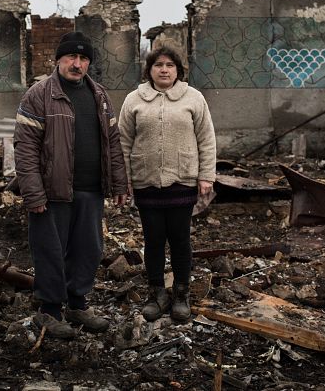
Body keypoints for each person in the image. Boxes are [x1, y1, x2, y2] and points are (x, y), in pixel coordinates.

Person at [14, 31, 128, 339]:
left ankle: (77, 304)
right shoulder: (39, 95)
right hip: (53, 194)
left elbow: (113, 144)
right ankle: (49, 312)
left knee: (88, 249)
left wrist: (119, 184)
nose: (77, 64)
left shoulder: (100, 96)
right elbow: (24, 150)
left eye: (83, 59)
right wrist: (33, 193)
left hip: (91, 191)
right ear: (59, 60)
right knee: (50, 251)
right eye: (71, 58)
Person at [118, 46, 216, 323]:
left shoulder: (193, 98)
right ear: (149, 70)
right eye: (158, 64)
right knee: (153, 240)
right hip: (146, 182)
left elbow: (206, 138)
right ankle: (157, 293)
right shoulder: (134, 99)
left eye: (170, 65)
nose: (164, 69)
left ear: (178, 70)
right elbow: (123, 142)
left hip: (181, 180)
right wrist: (124, 180)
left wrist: (206, 174)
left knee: (180, 239)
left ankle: (181, 294)